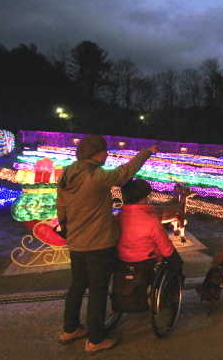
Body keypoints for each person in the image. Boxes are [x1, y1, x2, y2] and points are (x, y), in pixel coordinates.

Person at [56, 135, 157, 355]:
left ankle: (70, 329)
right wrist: (146, 152)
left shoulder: (66, 174)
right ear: (96, 153)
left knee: (77, 285)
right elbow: (125, 173)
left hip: (77, 242)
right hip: (98, 244)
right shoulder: (96, 175)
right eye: (104, 151)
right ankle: (95, 339)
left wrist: (68, 231)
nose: (107, 154)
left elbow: (61, 208)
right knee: (98, 290)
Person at [117, 178, 183, 268]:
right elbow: (166, 248)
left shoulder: (118, 216)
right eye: (147, 196)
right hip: (146, 262)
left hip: (122, 259)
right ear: (142, 198)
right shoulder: (151, 220)